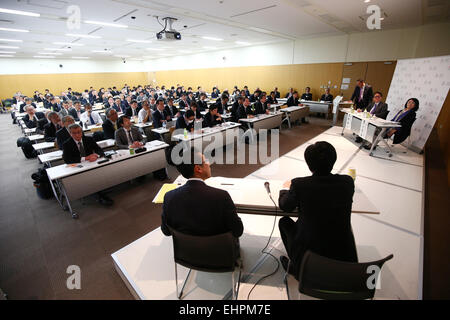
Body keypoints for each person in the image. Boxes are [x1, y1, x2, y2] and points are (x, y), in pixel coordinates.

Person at [278, 141, 357, 278]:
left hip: (309, 252)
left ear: (309, 165)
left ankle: (297, 266)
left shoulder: (299, 184)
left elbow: (285, 206)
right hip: (342, 252)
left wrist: (285, 189)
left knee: (284, 222)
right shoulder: (347, 182)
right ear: (334, 160)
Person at [161, 148, 244, 248]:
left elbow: (166, 231)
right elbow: (238, 231)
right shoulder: (221, 196)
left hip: (186, 254)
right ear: (198, 169)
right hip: (220, 255)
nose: (209, 164)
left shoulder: (169, 197)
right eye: (206, 161)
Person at [62, 123, 113, 206]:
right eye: (74, 133)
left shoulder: (89, 139)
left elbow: (100, 151)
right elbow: (67, 160)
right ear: (70, 134)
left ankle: (100, 192)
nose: (77, 135)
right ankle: (99, 195)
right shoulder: (66, 144)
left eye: (79, 132)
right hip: (79, 166)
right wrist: (85, 158)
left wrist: (96, 155)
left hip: (92, 164)